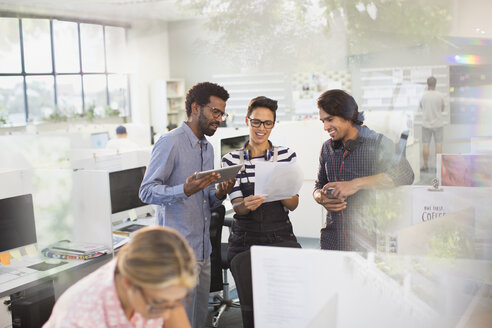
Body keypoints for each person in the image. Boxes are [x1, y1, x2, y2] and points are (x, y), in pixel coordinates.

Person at [139, 82, 235, 328]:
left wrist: (219, 194)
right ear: (195, 107)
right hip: (177, 254)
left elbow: (205, 200)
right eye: (215, 112)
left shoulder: (207, 147)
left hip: (203, 251)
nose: (219, 119)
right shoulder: (170, 142)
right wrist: (184, 189)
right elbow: (146, 191)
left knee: (199, 319)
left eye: (222, 114)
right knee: (177, 322)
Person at [221, 96, 301, 328]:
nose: (261, 129)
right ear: (247, 120)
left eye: (267, 123)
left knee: (286, 308)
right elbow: (237, 207)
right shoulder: (231, 160)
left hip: (281, 237)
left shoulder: (285, 156)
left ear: (273, 125)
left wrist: (277, 191)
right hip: (246, 241)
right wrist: (248, 204)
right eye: (256, 122)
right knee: (252, 313)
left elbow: (294, 204)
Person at [313, 89, 414, 251]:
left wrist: (355, 184)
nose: (325, 127)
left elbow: (405, 174)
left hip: (368, 243)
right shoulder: (326, 148)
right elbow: (319, 185)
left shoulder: (378, 143)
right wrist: (320, 197)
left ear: (347, 116)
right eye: (322, 121)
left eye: (330, 119)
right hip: (332, 241)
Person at [43, 226, 197, 328]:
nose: (166, 314)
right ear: (128, 282)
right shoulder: (82, 317)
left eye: (178, 300)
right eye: (157, 303)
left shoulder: (162, 293)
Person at [419, 76, 445, 172]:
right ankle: (438, 166)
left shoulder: (423, 95)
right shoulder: (440, 95)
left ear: (427, 84)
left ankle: (425, 165)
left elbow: (421, 107)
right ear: (435, 84)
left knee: (425, 144)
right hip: (438, 123)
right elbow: (442, 108)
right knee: (438, 144)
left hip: (426, 124)